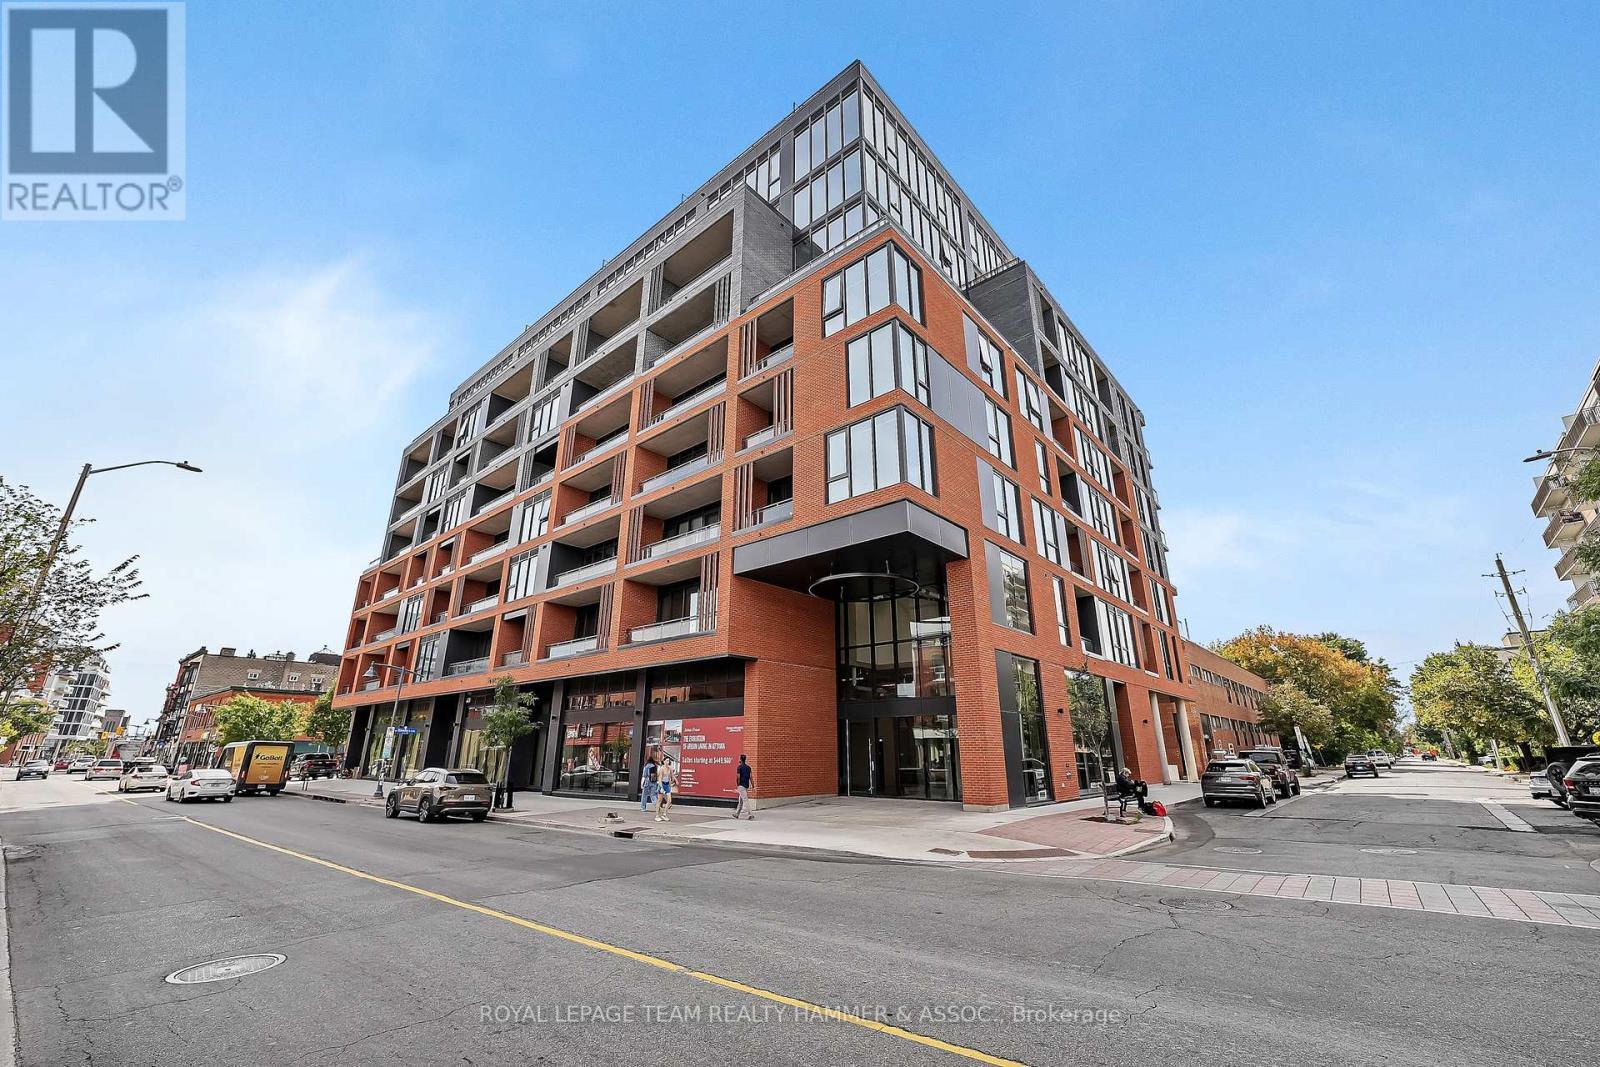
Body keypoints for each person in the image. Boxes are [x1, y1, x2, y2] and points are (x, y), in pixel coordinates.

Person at [734, 754, 753, 820]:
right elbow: (751, 777)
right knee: (741, 801)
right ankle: (737, 814)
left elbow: (738, 777)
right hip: (746, 785)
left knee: (745, 800)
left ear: (740, 760)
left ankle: (750, 814)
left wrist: (738, 785)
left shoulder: (739, 767)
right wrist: (753, 785)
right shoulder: (748, 767)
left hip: (741, 786)